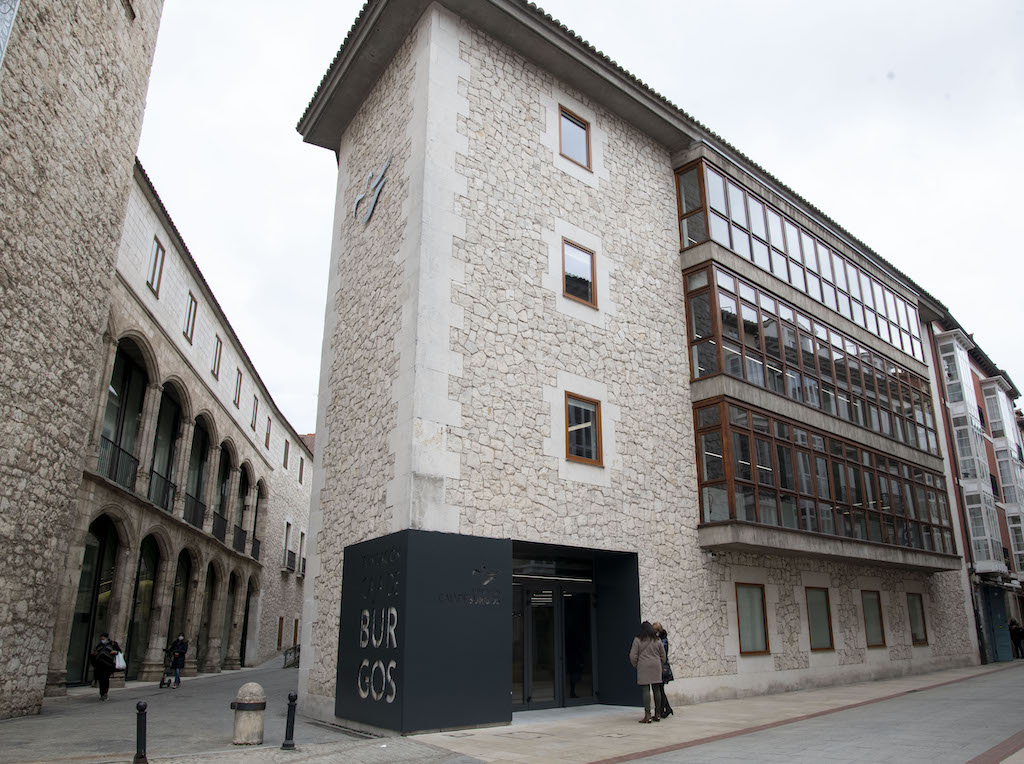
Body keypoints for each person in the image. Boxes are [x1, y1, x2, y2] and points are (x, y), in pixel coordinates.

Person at [629, 620, 666, 723]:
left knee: (645, 690)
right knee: (657, 689)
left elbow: (632, 656)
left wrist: (637, 665)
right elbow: (663, 655)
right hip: (656, 666)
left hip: (643, 666)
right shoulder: (657, 640)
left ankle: (647, 715)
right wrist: (660, 663)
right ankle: (658, 714)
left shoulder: (637, 640)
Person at [90, 633, 122, 701]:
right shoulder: (99, 645)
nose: (102, 640)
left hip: (108, 665)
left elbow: (119, 651)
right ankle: (102, 693)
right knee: (101, 680)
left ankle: (105, 693)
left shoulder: (113, 644)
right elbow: (95, 652)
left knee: (105, 679)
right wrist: (94, 654)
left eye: (103, 639)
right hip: (100, 666)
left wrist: (115, 652)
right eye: (101, 639)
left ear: (106, 638)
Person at [652, 622, 674, 718]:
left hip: (662, 667)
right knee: (660, 689)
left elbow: (662, 653)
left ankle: (663, 710)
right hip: (661, 667)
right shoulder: (661, 639)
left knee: (660, 689)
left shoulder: (662, 640)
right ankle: (667, 708)